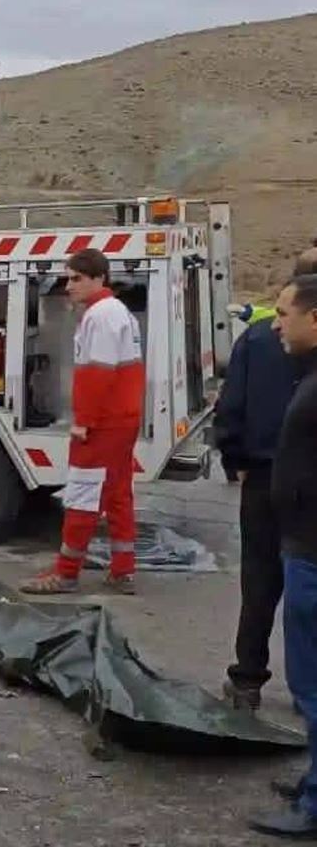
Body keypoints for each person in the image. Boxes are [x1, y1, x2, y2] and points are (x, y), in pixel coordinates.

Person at [218, 248, 317, 710]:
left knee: (260, 581)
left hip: (262, 477)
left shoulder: (257, 340)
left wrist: (234, 458)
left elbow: (230, 406)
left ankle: (248, 679)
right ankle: (307, 690)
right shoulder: (276, 339)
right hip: (302, 487)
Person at [22, 248, 144, 595]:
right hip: (121, 420)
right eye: (68, 278)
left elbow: (99, 373)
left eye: (76, 278)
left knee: (82, 494)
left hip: (104, 423)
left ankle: (66, 572)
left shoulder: (100, 316)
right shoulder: (115, 312)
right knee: (119, 493)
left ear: (98, 279)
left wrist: (84, 421)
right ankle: (122, 570)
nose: (68, 286)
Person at [249, 273, 317, 839]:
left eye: (284, 313)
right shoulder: (309, 374)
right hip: (302, 547)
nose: (276, 323)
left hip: (313, 554)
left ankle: (315, 805)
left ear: (314, 319)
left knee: (315, 684)